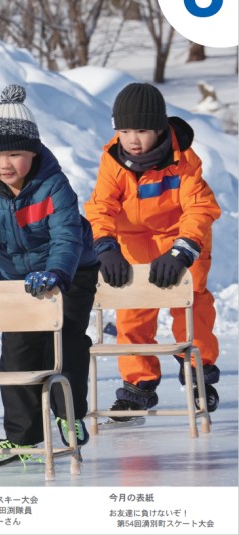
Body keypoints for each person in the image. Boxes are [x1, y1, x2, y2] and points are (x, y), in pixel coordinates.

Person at [0, 84, 99, 466]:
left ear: (32, 153)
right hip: (17, 282)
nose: (5, 164)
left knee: (65, 342)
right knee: (17, 355)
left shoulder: (54, 185)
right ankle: (23, 438)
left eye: (15, 154)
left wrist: (56, 272)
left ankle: (69, 415)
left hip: (71, 273)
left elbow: (67, 238)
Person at [84, 82, 222, 421]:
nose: (132, 139)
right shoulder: (113, 159)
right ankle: (138, 386)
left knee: (192, 305)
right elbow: (100, 206)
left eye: (142, 130)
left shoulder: (183, 158)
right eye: (125, 130)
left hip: (179, 240)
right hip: (133, 244)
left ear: (159, 129)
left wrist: (182, 250)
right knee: (132, 315)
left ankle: (198, 374)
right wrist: (104, 245)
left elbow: (200, 207)